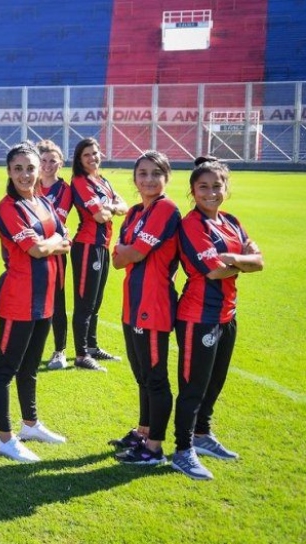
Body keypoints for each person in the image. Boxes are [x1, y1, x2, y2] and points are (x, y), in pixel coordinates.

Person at [170, 157, 263, 480]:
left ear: (226, 188)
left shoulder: (232, 221)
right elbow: (214, 270)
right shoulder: (192, 225)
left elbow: (259, 260)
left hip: (227, 314)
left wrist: (235, 258)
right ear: (193, 191)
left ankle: (202, 435)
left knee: (215, 382)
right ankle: (183, 450)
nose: (211, 193)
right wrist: (244, 262)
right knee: (193, 387)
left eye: (217, 186)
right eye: (203, 187)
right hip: (198, 316)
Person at [0, 142, 71, 463]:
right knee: (5, 370)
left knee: (30, 368)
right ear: (9, 172)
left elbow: (65, 240)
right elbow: (36, 249)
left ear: (40, 170)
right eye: (18, 168)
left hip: (46, 298)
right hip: (18, 300)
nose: (25, 174)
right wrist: (49, 244)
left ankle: (30, 424)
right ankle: (5, 439)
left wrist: (48, 243)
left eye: (30, 168)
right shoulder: (7, 208)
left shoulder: (44, 202)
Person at [109, 151, 182, 465]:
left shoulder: (166, 209)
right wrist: (127, 252)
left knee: (155, 377)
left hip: (153, 304)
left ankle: (153, 448)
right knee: (142, 375)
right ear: (135, 178)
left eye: (156, 173)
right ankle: (143, 431)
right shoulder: (135, 211)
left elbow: (134, 253)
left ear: (166, 177)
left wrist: (128, 252)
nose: (149, 179)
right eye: (143, 173)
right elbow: (117, 259)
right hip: (132, 303)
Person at [69, 137, 129, 371]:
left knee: (96, 302)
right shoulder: (80, 182)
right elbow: (99, 216)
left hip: (102, 246)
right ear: (79, 160)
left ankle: (92, 347)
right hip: (87, 247)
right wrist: (112, 208)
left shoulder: (102, 181)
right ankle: (81, 354)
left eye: (95, 153)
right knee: (85, 302)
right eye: (87, 155)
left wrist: (111, 207)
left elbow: (123, 206)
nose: (93, 157)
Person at [36, 140, 73, 370]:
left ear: (60, 163)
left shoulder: (64, 189)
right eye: (44, 161)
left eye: (53, 161)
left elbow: (59, 222)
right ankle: (30, 348)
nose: (48, 165)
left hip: (55, 252)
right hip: (32, 250)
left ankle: (60, 350)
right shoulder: (31, 184)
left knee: (57, 302)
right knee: (32, 301)